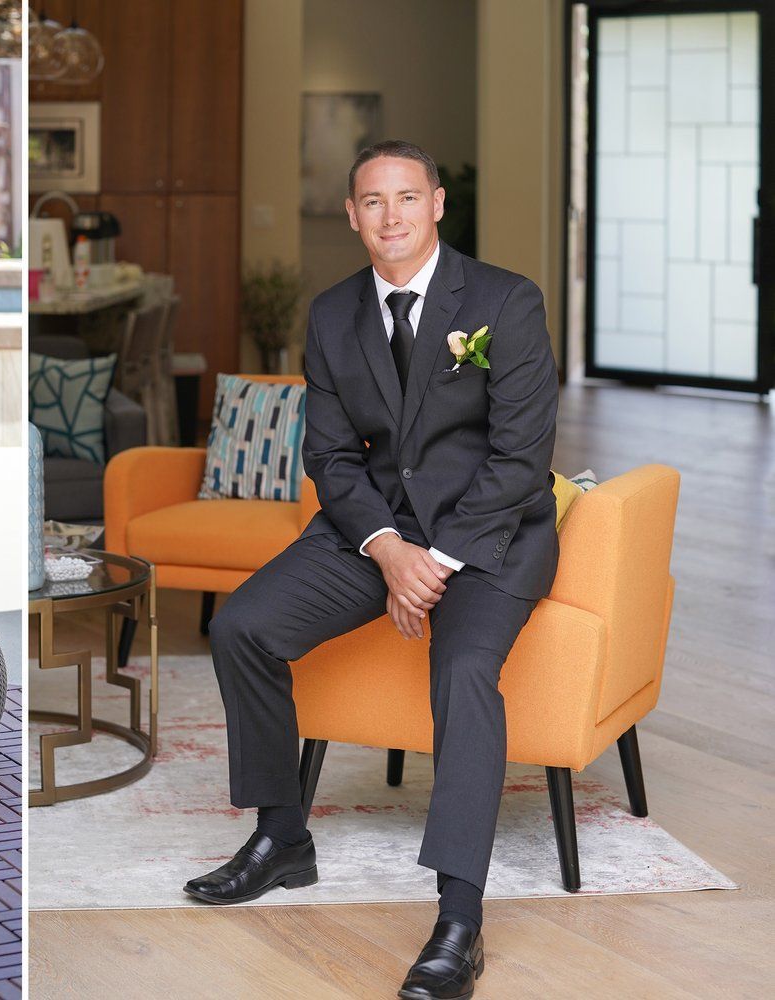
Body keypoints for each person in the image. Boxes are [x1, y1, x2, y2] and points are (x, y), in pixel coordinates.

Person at [182, 141, 559, 1000]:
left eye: (407, 198)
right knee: (242, 627)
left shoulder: (505, 301)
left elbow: (521, 458)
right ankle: (283, 839)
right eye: (372, 202)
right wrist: (389, 551)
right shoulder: (332, 313)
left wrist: (439, 559)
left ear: (434, 207)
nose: (391, 216)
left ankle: (458, 920)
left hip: (492, 535)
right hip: (377, 533)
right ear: (352, 215)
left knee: (464, 669)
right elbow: (330, 456)